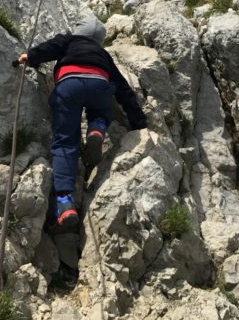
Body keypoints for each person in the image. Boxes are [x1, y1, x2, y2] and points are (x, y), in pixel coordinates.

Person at [18, 15, 147, 233]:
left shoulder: (68, 41)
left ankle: (65, 203)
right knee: (101, 109)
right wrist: (139, 122)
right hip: (99, 83)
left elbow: (49, 48)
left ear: (78, 31)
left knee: (65, 142)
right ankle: (97, 129)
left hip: (69, 84)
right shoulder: (103, 54)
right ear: (99, 40)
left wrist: (29, 57)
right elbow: (124, 90)